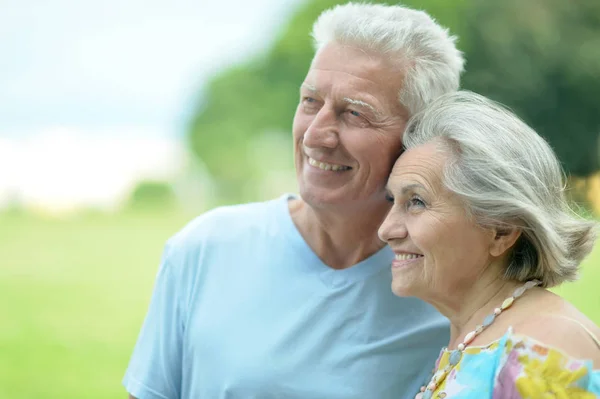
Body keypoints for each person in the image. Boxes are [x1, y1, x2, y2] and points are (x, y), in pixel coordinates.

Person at [123, 3, 464, 399]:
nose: (315, 135)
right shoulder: (203, 248)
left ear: (419, 139)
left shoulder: (449, 298)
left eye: (354, 113)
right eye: (310, 102)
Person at [379, 91, 600, 398]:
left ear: (501, 229)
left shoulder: (543, 351)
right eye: (393, 200)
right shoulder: (477, 338)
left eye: (416, 201)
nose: (385, 229)